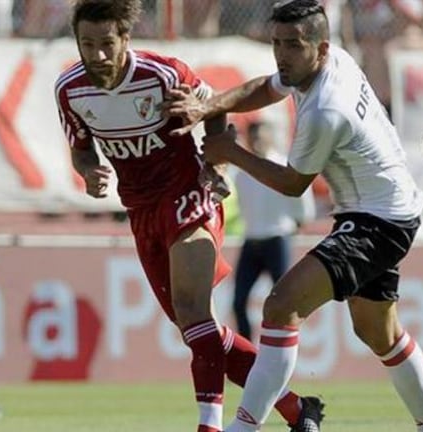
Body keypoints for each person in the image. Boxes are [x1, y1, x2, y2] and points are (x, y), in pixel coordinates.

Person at [162, 1, 423, 431]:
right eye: (277, 43)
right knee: (378, 331)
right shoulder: (327, 60)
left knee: (281, 305)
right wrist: (208, 108)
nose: (282, 54)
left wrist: (232, 153)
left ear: (319, 48)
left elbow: (293, 183)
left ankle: (245, 427)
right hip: (384, 210)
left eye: (293, 45)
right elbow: (266, 87)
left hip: (378, 220)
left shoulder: (326, 109)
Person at [54, 2, 317, 431]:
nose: (98, 55)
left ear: (125, 38)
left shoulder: (163, 74)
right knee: (198, 331)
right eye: (88, 44)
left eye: (107, 44)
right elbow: (81, 148)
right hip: (140, 211)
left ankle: (209, 425)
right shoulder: (70, 89)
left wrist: (215, 166)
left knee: (195, 314)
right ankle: (295, 408)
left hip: (187, 195)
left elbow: (216, 106)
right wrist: (88, 173)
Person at [232, 121, 314, 341]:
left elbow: (303, 206)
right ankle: (247, 353)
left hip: (277, 240)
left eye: (260, 136)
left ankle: (284, 349)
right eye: (253, 137)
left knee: (285, 302)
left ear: (270, 137)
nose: (257, 141)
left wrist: (293, 225)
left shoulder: (282, 165)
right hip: (251, 240)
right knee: (238, 301)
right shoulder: (242, 174)